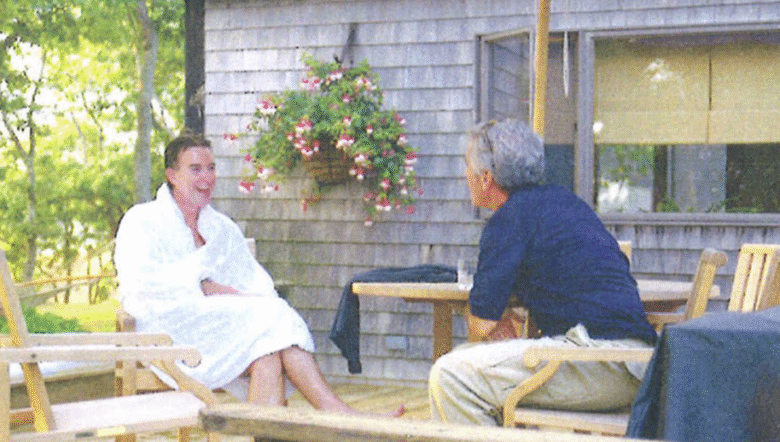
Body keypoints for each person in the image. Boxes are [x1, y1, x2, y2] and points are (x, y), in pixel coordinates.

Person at [114, 132, 403, 416]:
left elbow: (255, 283)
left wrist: (224, 293)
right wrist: (202, 287)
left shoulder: (222, 228)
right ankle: (337, 413)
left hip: (224, 327)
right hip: (171, 329)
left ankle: (321, 418)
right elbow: (140, 285)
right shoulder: (142, 220)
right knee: (273, 322)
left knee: (267, 352)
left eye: (211, 168)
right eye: (196, 169)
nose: (207, 177)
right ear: (172, 175)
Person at [428, 119, 656, 426]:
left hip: (597, 362)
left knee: (450, 376)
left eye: (467, 165)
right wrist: (498, 316)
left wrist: (491, 316)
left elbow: (481, 324)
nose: (464, 174)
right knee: (469, 361)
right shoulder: (565, 202)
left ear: (486, 178)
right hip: (636, 363)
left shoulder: (509, 220)